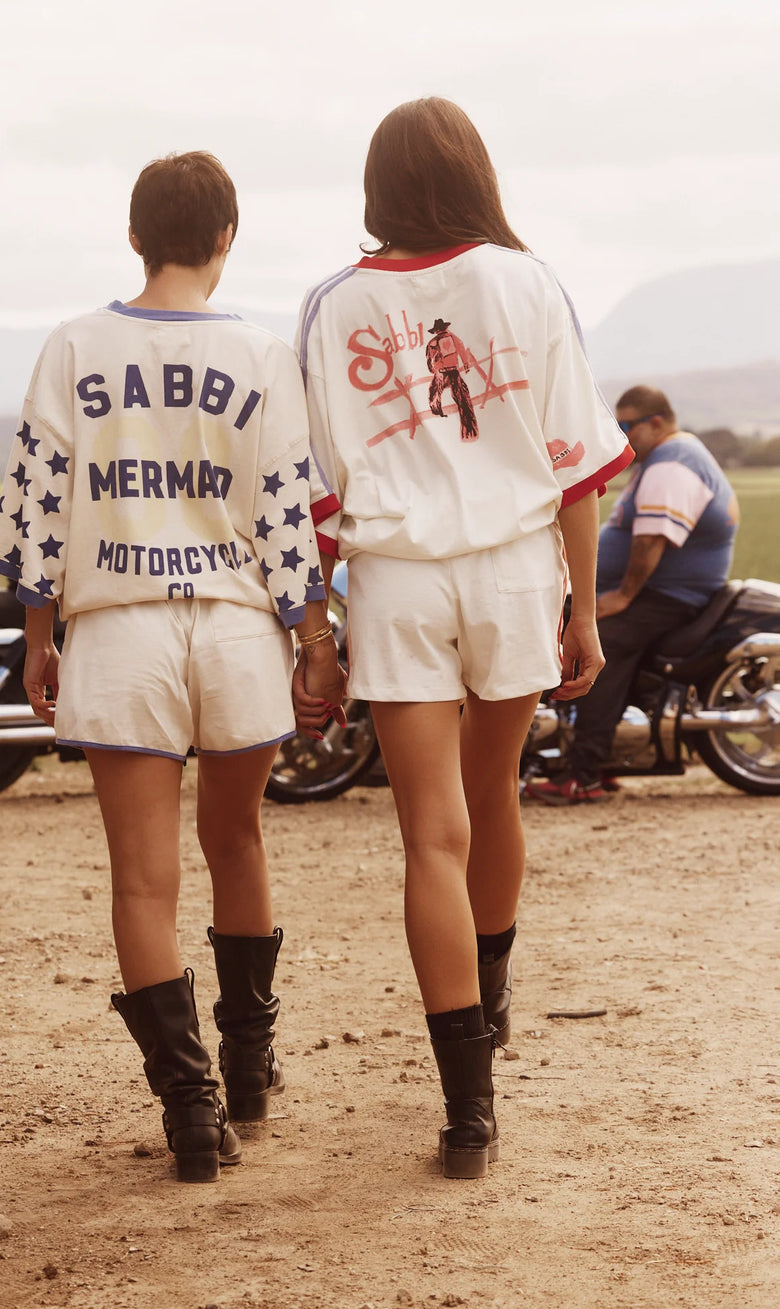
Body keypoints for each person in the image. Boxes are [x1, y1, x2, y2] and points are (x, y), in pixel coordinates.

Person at [0, 151, 345, 1183]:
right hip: (236, 628)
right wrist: (313, 639)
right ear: (228, 235)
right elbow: (287, 514)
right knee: (236, 839)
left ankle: (192, 1116)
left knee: (143, 878)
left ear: (135, 235)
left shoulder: (73, 344)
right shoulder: (264, 354)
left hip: (121, 630)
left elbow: (38, 504)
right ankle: (248, 1066)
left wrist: (38, 633)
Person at [294, 97, 633, 1178]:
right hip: (510, 574)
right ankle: (489, 1009)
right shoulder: (529, 282)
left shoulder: (332, 305)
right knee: (492, 805)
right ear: (474, 173)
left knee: (429, 835)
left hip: (396, 584)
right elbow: (574, 465)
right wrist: (583, 607)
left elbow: (319, 496)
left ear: (376, 185)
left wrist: (316, 625)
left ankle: (467, 1108)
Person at [526, 386, 739, 805]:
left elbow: (651, 540)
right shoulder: (671, 457)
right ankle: (605, 753)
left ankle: (583, 773)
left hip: (666, 594)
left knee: (603, 646)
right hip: (666, 591)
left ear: (655, 423)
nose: (621, 435)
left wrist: (622, 596)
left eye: (626, 426)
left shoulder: (673, 462)